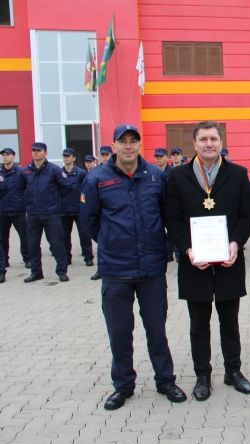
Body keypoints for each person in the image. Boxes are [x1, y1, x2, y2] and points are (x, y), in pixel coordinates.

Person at [81, 124, 186, 410]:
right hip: (116, 271)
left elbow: (167, 215)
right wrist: (111, 242)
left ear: (140, 145)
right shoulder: (97, 179)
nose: (128, 146)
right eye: (122, 141)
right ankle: (123, 385)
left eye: (133, 141)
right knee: (119, 331)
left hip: (151, 269)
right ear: (113, 145)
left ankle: (165, 380)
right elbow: (90, 221)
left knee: (156, 329)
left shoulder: (155, 176)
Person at [166, 121, 250, 401]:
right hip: (195, 263)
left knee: (230, 322)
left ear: (220, 142)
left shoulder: (238, 174)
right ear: (194, 144)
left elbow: (248, 215)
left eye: (214, 139)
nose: (209, 144)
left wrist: (235, 243)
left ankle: (234, 371)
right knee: (198, 325)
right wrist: (187, 249)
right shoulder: (177, 176)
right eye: (203, 139)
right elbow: (172, 218)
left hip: (228, 260)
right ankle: (202, 376)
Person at [22, 142, 69, 282]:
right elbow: (20, 189)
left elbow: (65, 187)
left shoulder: (54, 169)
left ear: (45, 153)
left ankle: (62, 271)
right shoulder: (26, 171)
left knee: (56, 243)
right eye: (33, 150)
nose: (35, 153)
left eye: (39, 150)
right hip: (33, 214)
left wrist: (56, 204)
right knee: (33, 244)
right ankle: (36, 272)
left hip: (51, 214)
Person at [59, 148, 94, 266]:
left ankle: (88, 257)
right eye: (64, 156)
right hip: (63, 210)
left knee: (84, 234)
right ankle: (66, 257)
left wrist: (84, 205)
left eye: (68, 156)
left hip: (79, 209)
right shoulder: (59, 173)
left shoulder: (80, 173)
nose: (65, 158)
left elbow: (86, 190)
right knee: (64, 236)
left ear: (73, 158)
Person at [0, 147, 30, 270]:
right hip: (2, 211)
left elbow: (27, 189)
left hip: (18, 210)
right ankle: (4, 260)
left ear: (13, 156)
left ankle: (27, 259)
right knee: (2, 238)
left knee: (24, 236)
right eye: (3, 155)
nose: (5, 157)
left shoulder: (21, 172)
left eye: (7, 155)